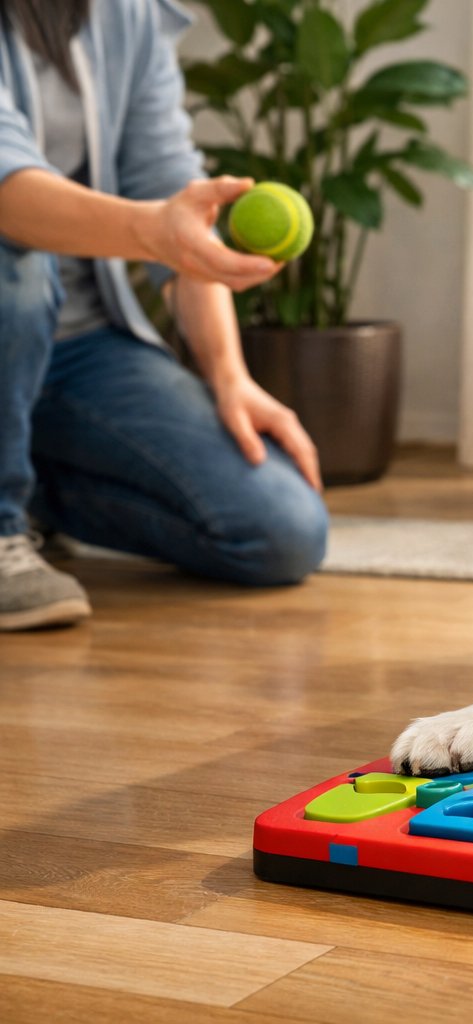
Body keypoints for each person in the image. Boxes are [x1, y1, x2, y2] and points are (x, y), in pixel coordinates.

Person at [0, 0, 328, 632]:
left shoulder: (129, 14)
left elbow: (172, 192)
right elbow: (8, 191)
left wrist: (230, 376)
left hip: (80, 349)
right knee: (19, 262)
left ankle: (29, 487)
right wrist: (154, 230)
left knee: (282, 529)